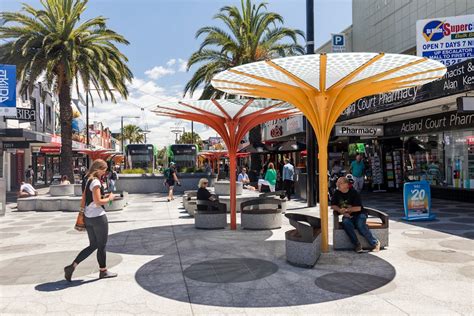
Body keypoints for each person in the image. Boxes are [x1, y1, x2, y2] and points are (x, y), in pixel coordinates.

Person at [64, 159, 117, 281]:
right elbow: (98, 202)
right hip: (98, 217)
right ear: (98, 169)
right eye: (104, 170)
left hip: (88, 217)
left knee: (93, 245)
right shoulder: (96, 182)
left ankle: (72, 266)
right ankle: (103, 271)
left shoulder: (87, 180)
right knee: (102, 246)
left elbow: (91, 199)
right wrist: (110, 198)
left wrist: (104, 197)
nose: (105, 173)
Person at [331, 177, 380, 253]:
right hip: (347, 215)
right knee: (346, 223)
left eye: (340, 183)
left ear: (346, 185)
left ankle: (375, 243)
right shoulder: (337, 193)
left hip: (360, 214)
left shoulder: (354, 193)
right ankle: (357, 244)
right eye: (337, 182)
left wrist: (346, 210)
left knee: (360, 225)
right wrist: (341, 211)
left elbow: (358, 208)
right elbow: (333, 205)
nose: (337, 184)